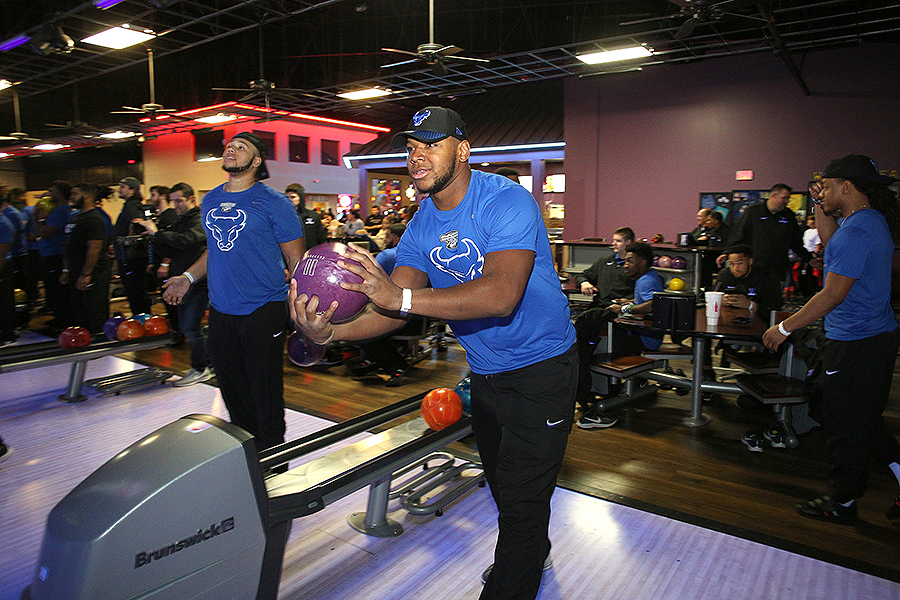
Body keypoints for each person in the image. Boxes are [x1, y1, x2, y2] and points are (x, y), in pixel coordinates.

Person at [289, 106, 576, 600]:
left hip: (543, 368)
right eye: (411, 147)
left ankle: (514, 576)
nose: (417, 156)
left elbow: (500, 295)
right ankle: (530, 550)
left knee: (523, 498)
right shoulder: (422, 223)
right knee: (504, 486)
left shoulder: (506, 201)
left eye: (431, 144)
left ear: (462, 151)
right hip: (485, 372)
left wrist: (398, 297)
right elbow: (390, 309)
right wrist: (328, 334)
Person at [763, 154, 900, 525]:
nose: (821, 192)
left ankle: (842, 502)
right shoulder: (866, 221)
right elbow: (830, 240)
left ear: (846, 186)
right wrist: (818, 203)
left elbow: (833, 293)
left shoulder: (858, 231)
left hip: (857, 343)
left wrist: (784, 328)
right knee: (860, 417)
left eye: (826, 186)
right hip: (869, 337)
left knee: (844, 428)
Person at [162, 132, 305, 451]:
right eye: (230, 145)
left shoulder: (274, 202)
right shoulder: (211, 199)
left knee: (264, 391)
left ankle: (273, 459)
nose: (232, 149)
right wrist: (187, 277)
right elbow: (214, 249)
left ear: (256, 162)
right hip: (221, 308)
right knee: (232, 388)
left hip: (264, 307)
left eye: (242, 147)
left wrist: (297, 306)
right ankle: (248, 453)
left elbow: (295, 258)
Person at [577, 241, 664, 430]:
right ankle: (622, 384)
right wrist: (631, 302)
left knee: (599, 340)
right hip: (646, 335)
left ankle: (605, 394)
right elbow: (646, 301)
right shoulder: (648, 276)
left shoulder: (645, 280)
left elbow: (653, 304)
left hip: (647, 339)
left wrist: (625, 308)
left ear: (642, 262)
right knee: (604, 332)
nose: (626, 265)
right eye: (625, 261)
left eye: (630, 261)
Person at [136, 182, 212, 387]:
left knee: (190, 327)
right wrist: (153, 239)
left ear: (191, 199)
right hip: (181, 282)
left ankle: (201, 368)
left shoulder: (199, 219)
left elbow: (186, 240)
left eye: (179, 201)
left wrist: (157, 233)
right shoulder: (182, 221)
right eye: (173, 201)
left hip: (197, 283)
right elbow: (173, 247)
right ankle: (205, 364)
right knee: (186, 327)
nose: (176, 205)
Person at [573, 227, 636, 410]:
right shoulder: (604, 262)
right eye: (613, 240)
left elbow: (641, 298)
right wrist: (585, 283)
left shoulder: (633, 267)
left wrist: (628, 303)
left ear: (628, 243)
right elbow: (583, 275)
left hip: (619, 313)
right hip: (598, 311)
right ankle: (586, 384)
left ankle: (600, 385)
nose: (613, 244)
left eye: (618, 241)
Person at [722, 183, 811, 284]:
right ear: (773, 195)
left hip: (778, 269)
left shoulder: (788, 215)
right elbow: (738, 235)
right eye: (784, 198)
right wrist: (727, 253)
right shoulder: (753, 212)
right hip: (755, 267)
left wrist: (809, 258)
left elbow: (796, 242)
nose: (787, 201)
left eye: (788, 198)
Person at [61, 184, 111, 333]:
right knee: (79, 309)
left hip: (93, 272)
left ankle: (98, 340)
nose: (71, 197)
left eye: (75, 194)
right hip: (75, 269)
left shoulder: (94, 219)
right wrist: (66, 269)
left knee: (93, 310)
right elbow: (68, 245)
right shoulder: (75, 218)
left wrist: (86, 273)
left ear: (87, 196)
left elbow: (94, 247)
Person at [35, 182, 73, 331]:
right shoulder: (58, 211)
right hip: (51, 253)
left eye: (52, 191)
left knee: (57, 290)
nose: (49, 193)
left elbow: (45, 233)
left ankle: (63, 322)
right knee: (54, 290)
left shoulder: (61, 211)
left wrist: (40, 218)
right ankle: (60, 318)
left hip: (54, 254)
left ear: (59, 193)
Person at [113, 177, 152, 316]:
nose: (119, 189)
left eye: (122, 187)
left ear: (132, 190)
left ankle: (143, 320)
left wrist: (129, 239)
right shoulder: (130, 205)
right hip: (130, 256)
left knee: (136, 294)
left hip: (132, 257)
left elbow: (139, 223)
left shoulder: (132, 205)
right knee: (135, 294)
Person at [717, 244, 783, 322]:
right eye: (731, 264)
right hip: (728, 320)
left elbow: (774, 310)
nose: (735, 268)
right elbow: (712, 299)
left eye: (740, 263)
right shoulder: (724, 276)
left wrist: (750, 305)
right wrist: (720, 301)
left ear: (750, 261)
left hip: (759, 323)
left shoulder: (767, 278)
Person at [286, 183, 327, 249]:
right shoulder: (282, 217)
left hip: (310, 252)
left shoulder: (313, 216)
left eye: (293, 197)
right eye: (287, 197)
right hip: (289, 252)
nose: (289, 200)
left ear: (300, 198)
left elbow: (321, 238)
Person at [0, 207, 16, 344]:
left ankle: (7, 334)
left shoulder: (4, 223)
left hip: (4, 266)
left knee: (4, 301)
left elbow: (2, 252)